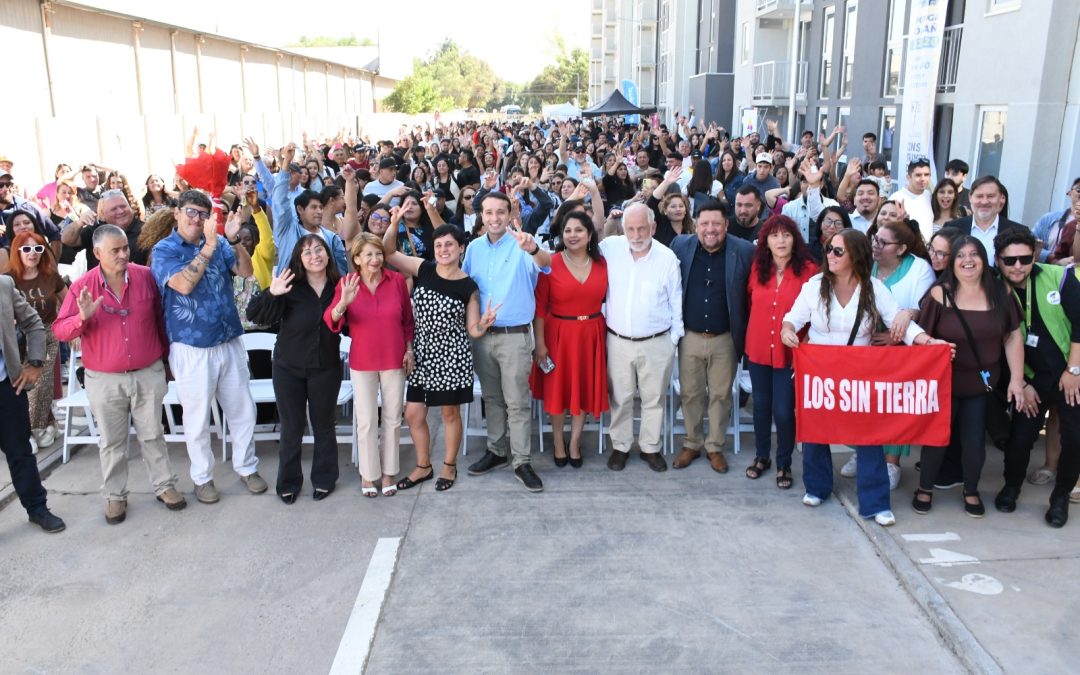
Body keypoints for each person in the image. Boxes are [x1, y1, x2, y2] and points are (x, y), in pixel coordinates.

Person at [781, 229, 944, 527]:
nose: (830, 255)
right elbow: (793, 317)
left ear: (855, 255)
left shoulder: (874, 288)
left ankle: (876, 502)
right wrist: (787, 330)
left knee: (869, 437)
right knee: (816, 432)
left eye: (838, 251)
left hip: (859, 374)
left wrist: (927, 342)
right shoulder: (815, 286)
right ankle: (816, 487)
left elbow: (899, 323)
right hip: (820, 371)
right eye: (829, 249)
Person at [52, 224, 185, 522]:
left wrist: (166, 362)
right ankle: (115, 496)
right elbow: (60, 330)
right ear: (97, 253)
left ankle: (164, 485)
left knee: (153, 434)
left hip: (147, 372)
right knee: (112, 442)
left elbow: (161, 320)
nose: (124, 254)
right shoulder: (82, 286)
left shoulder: (145, 277)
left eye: (125, 248)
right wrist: (81, 318)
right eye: (116, 250)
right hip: (104, 379)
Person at [151, 190, 267, 504]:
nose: (197, 219)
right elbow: (183, 285)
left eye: (203, 214)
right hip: (192, 345)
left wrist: (233, 240)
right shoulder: (165, 250)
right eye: (191, 212)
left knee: (243, 410)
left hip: (228, 338)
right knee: (197, 418)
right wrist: (210, 247)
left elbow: (246, 272)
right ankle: (202, 478)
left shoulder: (218, 242)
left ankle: (247, 467)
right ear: (177, 213)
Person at [914, 236, 1025, 517]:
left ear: (984, 259)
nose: (968, 260)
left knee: (974, 441)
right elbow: (920, 337)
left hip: (980, 384)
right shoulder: (939, 294)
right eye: (961, 255)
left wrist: (1017, 379)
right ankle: (925, 487)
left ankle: (971, 490)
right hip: (944, 383)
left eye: (974, 254)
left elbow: (1013, 336)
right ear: (952, 262)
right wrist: (933, 344)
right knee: (937, 438)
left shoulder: (1001, 291)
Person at [384, 223, 495, 492]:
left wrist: (483, 324)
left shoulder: (468, 286)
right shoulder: (424, 269)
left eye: (449, 245)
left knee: (449, 413)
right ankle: (423, 466)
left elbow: (472, 330)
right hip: (422, 354)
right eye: (439, 245)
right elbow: (388, 251)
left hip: (452, 357)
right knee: (413, 414)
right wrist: (394, 221)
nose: (444, 250)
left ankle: (448, 465)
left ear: (461, 248)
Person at [463, 191, 552, 492]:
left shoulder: (523, 243)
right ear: (482, 215)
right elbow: (468, 289)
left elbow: (546, 263)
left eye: (500, 212)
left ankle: (522, 461)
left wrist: (533, 248)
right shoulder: (474, 248)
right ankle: (497, 451)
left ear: (510, 214)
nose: (494, 218)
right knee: (492, 398)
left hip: (514, 336)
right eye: (488, 212)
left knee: (517, 402)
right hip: (483, 337)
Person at [991, 228, 1080, 527]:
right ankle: (1011, 487)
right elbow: (997, 345)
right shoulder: (993, 288)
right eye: (1010, 260)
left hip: (1069, 374)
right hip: (1030, 378)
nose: (1018, 266)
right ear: (998, 260)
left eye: (1025, 259)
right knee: (1019, 438)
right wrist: (1022, 383)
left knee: (1075, 439)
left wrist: (1074, 371)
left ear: (1035, 256)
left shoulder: (1058, 277)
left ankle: (1060, 498)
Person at [246, 236, 342, 503]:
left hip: (326, 367)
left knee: (324, 425)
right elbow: (255, 315)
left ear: (328, 254)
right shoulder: (289, 285)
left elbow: (350, 323)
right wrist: (271, 293)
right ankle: (288, 482)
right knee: (292, 427)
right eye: (307, 252)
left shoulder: (339, 286)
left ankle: (324, 479)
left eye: (319, 249)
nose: (315, 256)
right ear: (299, 259)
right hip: (289, 367)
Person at [325, 233, 414, 497]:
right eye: (368, 254)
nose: (375, 259)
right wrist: (344, 302)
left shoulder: (396, 281)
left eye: (378, 253)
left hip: (394, 358)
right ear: (357, 259)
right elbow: (331, 320)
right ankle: (368, 473)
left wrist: (410, 350)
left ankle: (388, 472)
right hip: (362, 360)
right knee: (365, 420)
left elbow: (407, 321)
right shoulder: (347, 283)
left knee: (392, 418)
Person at [669, 202, 754, 473]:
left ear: (726, 225)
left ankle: (715, 446)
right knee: (690, 393)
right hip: (690, 336)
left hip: (725, 337)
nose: (710, 229)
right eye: (704, 223)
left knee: (721, 395)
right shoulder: (680, 246)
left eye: (716, 223)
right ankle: (692, 443)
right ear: (696, 225)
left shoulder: (744, 251)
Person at [602, 203, 684, 472]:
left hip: (657, 342)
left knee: (654, 398)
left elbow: (676, 301)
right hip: (618, 341)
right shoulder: (611, 248)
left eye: (642, 228)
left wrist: (674, 338)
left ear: (653, 227)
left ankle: (650, 447)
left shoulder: (667, 258)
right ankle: (620, 446)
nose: (636, 235)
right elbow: (583, 242)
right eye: (630, 229)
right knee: (620, 397)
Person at [531, 212, 609, 468]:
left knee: (583, 389)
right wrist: (540, 343)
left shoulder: (602, 264)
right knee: (558, 392)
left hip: (591, 335)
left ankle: (575, 442)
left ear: (589, 235)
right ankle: (558, 442)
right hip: (558, 336)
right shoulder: (550, 263)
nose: (573, 235)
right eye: (568, 230)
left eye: (579, 230)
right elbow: (539, 308)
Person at [745, 216, 818, 488]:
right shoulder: (757, 268)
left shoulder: (809, 270)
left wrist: (807, 340)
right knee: (761, 406)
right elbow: (749, 301)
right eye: (774, 236)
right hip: (758, 348)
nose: (781, 241)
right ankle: (762, 456)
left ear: (794, 239)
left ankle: (784, 462)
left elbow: (816, 311)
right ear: (766, 241)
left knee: (784, 410)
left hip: (791, 352)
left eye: (786, 235)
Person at [865, 221, 936, 489]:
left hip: (902, 349)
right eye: (875, 238)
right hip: (867, 346)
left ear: (902, 248)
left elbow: (922, 309)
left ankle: (891, 462)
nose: (875, 245)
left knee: (894, 407)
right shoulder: (867, 263)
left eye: (883, 242)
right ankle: (864, 453)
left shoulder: (919, 268)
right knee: (866, 405)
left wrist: (896, 335)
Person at [0, 272, 65, 532]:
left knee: (20, 453)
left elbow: (34, 323)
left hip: (7, 387)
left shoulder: (3, 286)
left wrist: (36, 362)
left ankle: (37, 508)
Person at [250, 139, 348, 276]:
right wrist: (285, 161)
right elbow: (279, 200)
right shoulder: (288, 230)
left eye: (320, 207)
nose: (319, 211)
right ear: (300, 209)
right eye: (313, 207)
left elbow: (341, 272)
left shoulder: (331, 238)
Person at [6, 232, 67, 450]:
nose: (32, 253)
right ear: (17, 251)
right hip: (17, 339)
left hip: (48, 334)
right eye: (27, 249)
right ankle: (46, 424)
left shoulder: (50, 276)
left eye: (38, 249)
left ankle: (32, 430)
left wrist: (73, 330)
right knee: (21, 385)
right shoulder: (8, 279)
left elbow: (69, 303)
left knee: (40, 384)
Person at [942, 176, 1025, 265]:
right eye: (979, 196)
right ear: (970, 197)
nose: (984, 202)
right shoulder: (951, 228)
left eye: (990, 196)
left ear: (1002, 198)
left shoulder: (1020, 232)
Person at [60, 188, 149, 269]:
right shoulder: (95, 230)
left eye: (123, 206)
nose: (120, 211)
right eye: (114, 209)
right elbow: (67, 239)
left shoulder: (146, 230)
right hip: (98, 281)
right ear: (103, 213)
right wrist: (79, 223)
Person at [1031, 177, 1080, 264]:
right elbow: (1028, 243)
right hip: (1045, 269)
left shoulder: (1073, 224)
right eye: (1079, 190)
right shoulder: (1048, 219)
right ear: (1069, 193)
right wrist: (1050, 257)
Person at [892, 158, 935, 242]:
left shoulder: (930, 196)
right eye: (918, 175)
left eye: (926, 175)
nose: (923, 179)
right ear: (908, 177)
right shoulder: (897, 198)